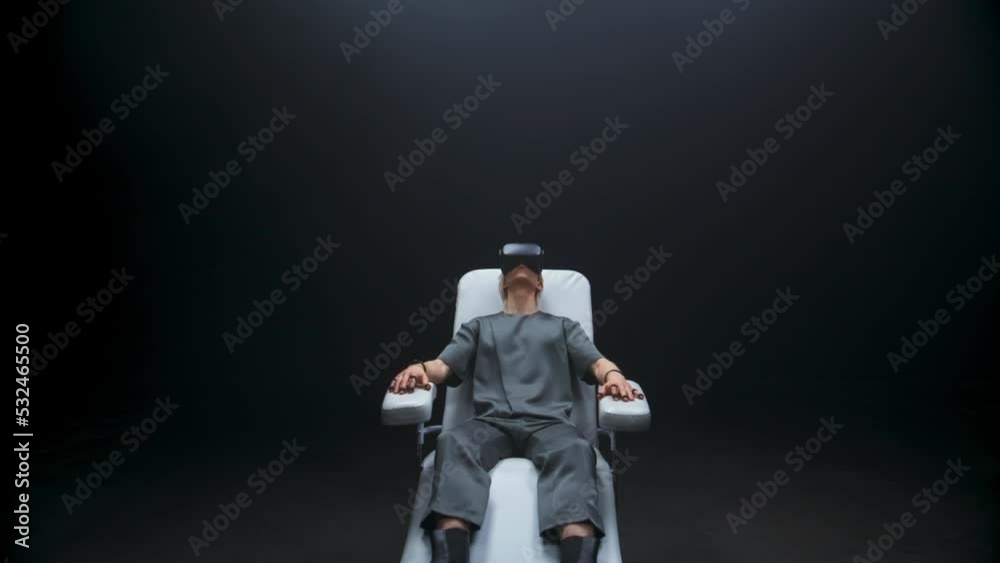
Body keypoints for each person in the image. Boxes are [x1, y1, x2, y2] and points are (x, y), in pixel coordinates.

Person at [388, 260, 641, 563]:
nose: (521, 266)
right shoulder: (479, 326)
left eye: (530, 266)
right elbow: (443, 366)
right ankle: (451, 554)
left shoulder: (563, 327)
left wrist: (613, 376)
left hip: (550, 424)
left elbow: (597, 363)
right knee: (452, 442)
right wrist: (420, 368)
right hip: (490, 423)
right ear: (503, 284)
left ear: (540, 284)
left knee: (576, 449)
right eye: (513, 265)